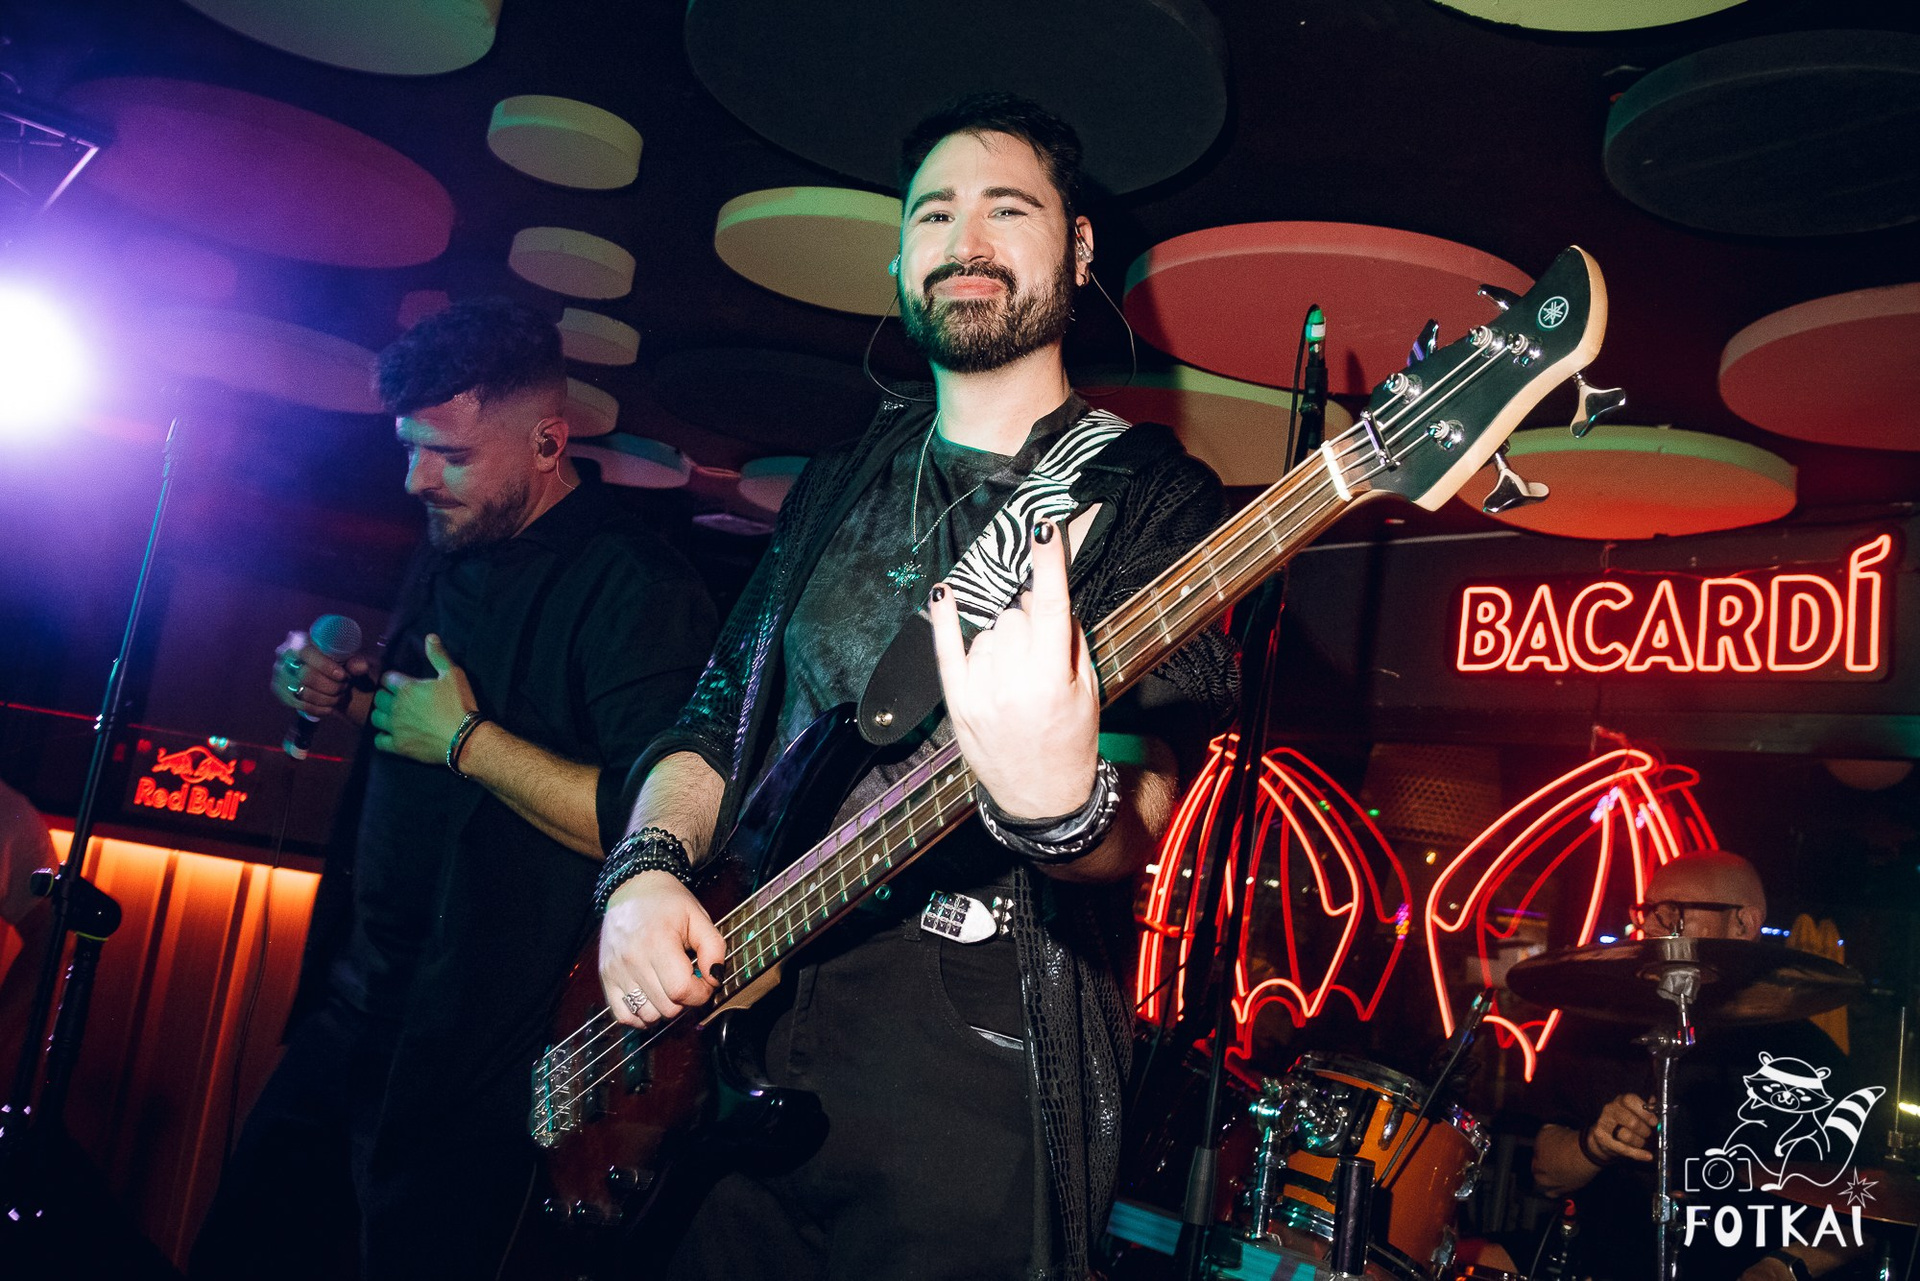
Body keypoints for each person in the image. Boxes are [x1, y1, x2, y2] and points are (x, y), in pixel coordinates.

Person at [594, 94, 1236, 1280]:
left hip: (979, 1040)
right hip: (744, 1016)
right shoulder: (841, 477)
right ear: (898, 258)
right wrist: (643, 872)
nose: (964, 239)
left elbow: (1152, 794)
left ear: (1079, 250)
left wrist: (1063, 812)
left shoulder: (1149, 496)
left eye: (1008, 210)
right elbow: (714, 721)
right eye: (933, 214)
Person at [189, 298, 717, 1280]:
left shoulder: (636, 587)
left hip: (478, 1062)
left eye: (450, 455)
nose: (416, 479)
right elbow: (419, 719)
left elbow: (651, 824)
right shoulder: (455, 537)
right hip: (354, 1008)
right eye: (410, 448)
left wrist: (468, 742)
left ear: (549, 441)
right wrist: (346, 692)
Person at [1530, 852, 1867, 1281]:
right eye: (1648, 910)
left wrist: (1779, 1269)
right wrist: (1594, 1144)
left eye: (1674, 912)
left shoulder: (1807, 1057)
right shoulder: (1593, 1030)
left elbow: (1866, 1209)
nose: (1652, 927)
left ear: (1743, 924)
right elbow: (1547, 1174)